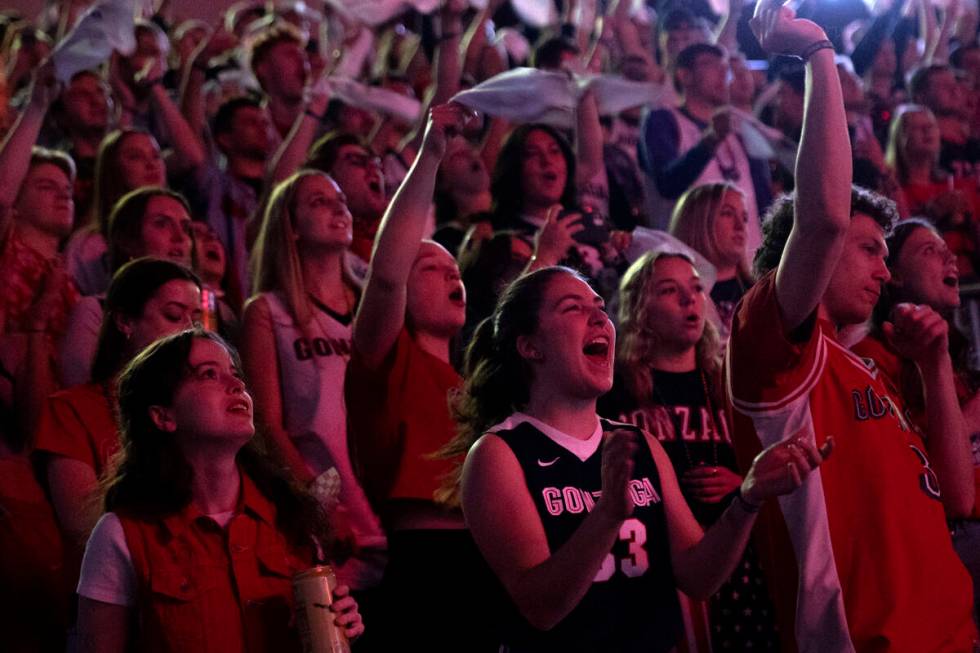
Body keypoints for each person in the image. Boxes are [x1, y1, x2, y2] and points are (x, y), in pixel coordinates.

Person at [728, 2, 975, 649]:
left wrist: (936, 363)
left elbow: (958, 497)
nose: (885, 270)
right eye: (871, 250)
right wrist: (817, 53)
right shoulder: (774, 350)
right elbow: (825, 217)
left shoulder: (874, 361)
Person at [442, 265, 826, 652]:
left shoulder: (639, 442)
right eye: (572, 308)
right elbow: (541, 608)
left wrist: (748, 498)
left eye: (599, 306)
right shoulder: (498, 453)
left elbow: (698, 576)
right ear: (530, 346)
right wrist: (607, 514)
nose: (599, 317)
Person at [75, 329, 364, 652]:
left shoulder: (290, 516)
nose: (237, 384)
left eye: (235, 373)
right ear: (163, 416)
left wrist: (341, 623)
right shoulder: (123, 535)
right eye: (209, 374)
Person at [345, 103, 498, 651]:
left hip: (486, 558)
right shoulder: (385, 358)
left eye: (454, 270)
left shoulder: (471, 379)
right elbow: (386, 275)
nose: (451, 274)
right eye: (430, 268)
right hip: (426, 561)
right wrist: (432, 155)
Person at [600, 250, 778, 650]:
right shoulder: (615, 390)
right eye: (669, 290)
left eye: (696, 289)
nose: (689, 299)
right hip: (650, 570)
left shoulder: (730, 385)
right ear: (640, 307)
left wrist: (740, 484)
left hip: (736, 568)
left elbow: (770, 468)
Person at [243, 169, 385, 591]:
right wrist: (317, 503)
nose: (338, 207)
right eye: (319, 201)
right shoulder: (268, 311)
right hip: (335, 520)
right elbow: (267, 423)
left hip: (389, 504)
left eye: (340, 199)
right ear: (291, 226)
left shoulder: (372, 305)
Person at [35, 258, 202, 579]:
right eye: (172, 315)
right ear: (125, 321)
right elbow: (84, 525)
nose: (188, 331)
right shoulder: (71, 410)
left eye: (195, 319)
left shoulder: (193, 412)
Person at [850, 219, 980, 618]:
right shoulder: (874, 359)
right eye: (928, 250)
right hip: (954, 539)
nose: (948, 255)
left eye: (946, 247)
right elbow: (937, 479)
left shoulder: (957, 354)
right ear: (894, 277)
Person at [639, 43, 772, 246]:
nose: (722, 71)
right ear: (684, 76)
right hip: (691, 265)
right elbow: (668, 184)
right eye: (709, 64)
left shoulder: (739, 129)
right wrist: (711, 140)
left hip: (746, 265)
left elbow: (763, 199)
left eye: (725, 67)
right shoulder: (663, 120)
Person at [59, 187, 194, 387]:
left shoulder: (217, 311)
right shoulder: (96, 310)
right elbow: (81, 390)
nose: (179, 237)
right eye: (162, 224)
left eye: (185, 228)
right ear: (127, 241)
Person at [668, 182, 754, 332]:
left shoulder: (761, 292)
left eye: (745, 217)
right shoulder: (677, 296)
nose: (740, 226)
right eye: (727, 214)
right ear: (698, 222)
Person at [884, 103, 980, 218]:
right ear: (900, 138)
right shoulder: (891, 190)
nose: (927, 130)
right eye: (916, 127)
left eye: (931, 125)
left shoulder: (958, 186)